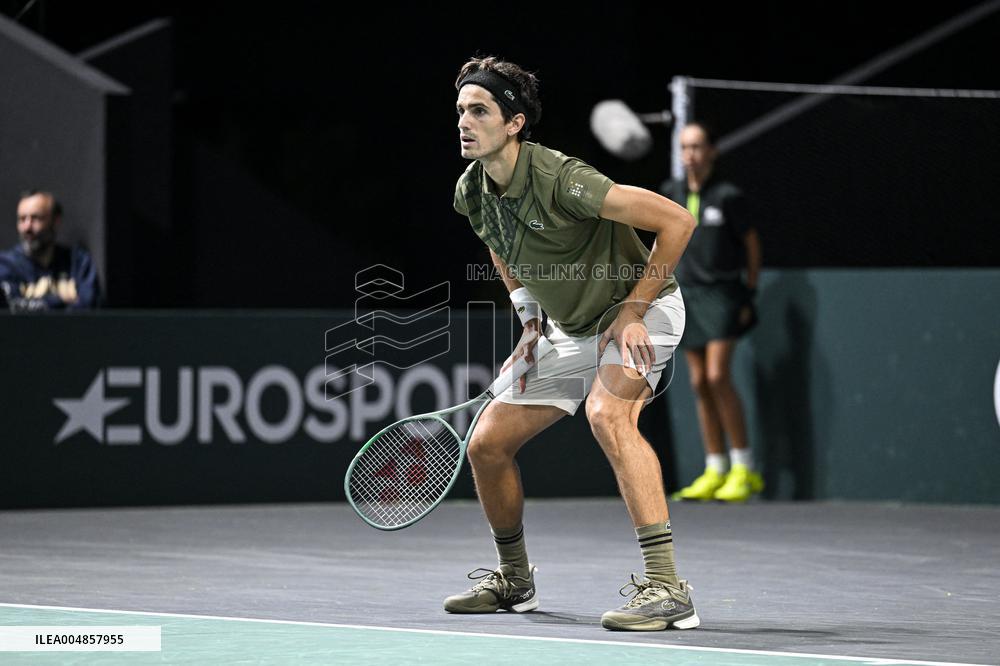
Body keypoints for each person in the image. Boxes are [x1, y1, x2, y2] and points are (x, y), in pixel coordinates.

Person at [448, 56, 699, 631]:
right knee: (486, 444)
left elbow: (678, 222)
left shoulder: (564, 179)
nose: (464, 121)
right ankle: (514, 581)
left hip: (642, 312)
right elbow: (499, 244)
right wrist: (530, 318)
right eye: (460, 110)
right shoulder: (472, 192)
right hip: (567, 329)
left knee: (610, 414)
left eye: (479, 110)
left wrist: (635, 308)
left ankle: (667, 588)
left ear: (513, 123)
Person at [659, 123, 763, 502]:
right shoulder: (670, 193)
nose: (691, 154)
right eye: (685, 147)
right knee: (699, 382)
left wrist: (749, 292)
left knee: (719, 376)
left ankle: (744, 468)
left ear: (712, 152)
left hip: (724, 293)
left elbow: (752, 245)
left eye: (698, 146)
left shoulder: (728, 196)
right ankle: (715, 467)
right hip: (687, 296)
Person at [0, 190, 100, 311]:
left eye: (36, 218)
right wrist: (61, 302)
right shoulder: (5, 265)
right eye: (22, 219)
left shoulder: (78, 263)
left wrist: (35, 305)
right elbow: (11, 309)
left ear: (55, 221)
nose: (27, 227)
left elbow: (89, 308)